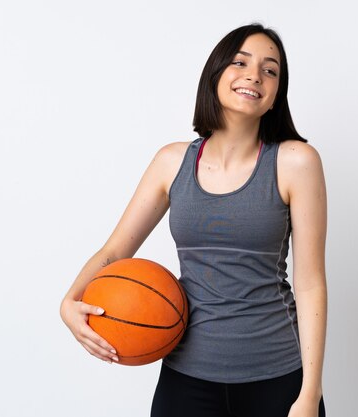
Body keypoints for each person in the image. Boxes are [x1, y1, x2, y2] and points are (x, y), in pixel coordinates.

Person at [60, 23, 327, 417]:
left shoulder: (296, 163)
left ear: (274, 97)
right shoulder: (171, 162)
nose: (255, 75)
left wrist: (308, 394)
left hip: (277, 377)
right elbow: (115, 251)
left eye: (270, 70)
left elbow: (309, 285)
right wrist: (69, 301)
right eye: (240, 62)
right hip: (186, 378)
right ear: (215, 74)